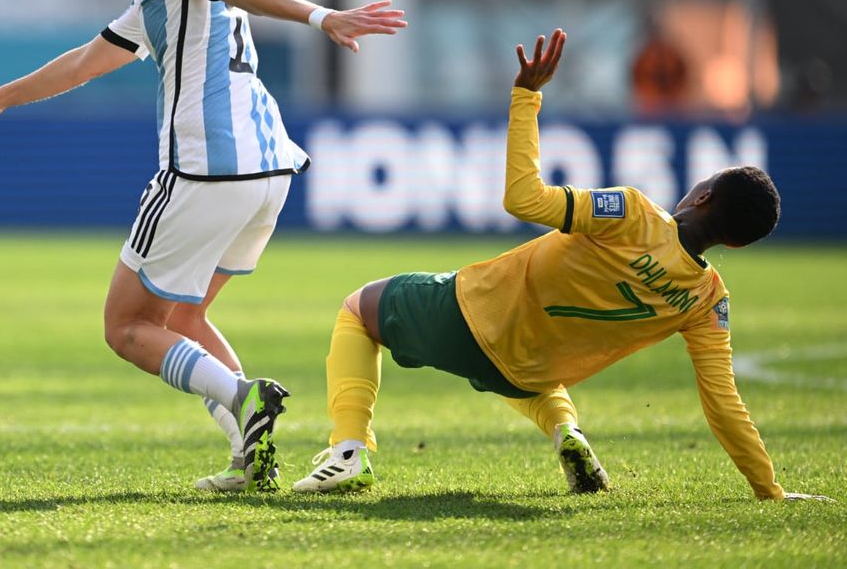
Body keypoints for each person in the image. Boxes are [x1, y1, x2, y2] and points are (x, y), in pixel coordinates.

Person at [0, 0, 406, 493]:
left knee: (127, 327)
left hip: (208, 169)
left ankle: (245, 399)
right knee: (184, 318)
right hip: (267, 170)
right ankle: (250, 457)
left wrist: (320, 16)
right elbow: (85, 63)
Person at [293, 28, 831, 503]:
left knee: (358, 309)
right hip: (529, 371)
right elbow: (723, 404)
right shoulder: (708, 301)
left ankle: (348, 451)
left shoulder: (633, 214)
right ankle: (565, 431)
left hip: (472, 315)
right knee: (535, 370)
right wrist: (770, 489)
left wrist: (526, 96)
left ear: (704, 195)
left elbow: (524, 199)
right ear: (735, 244)